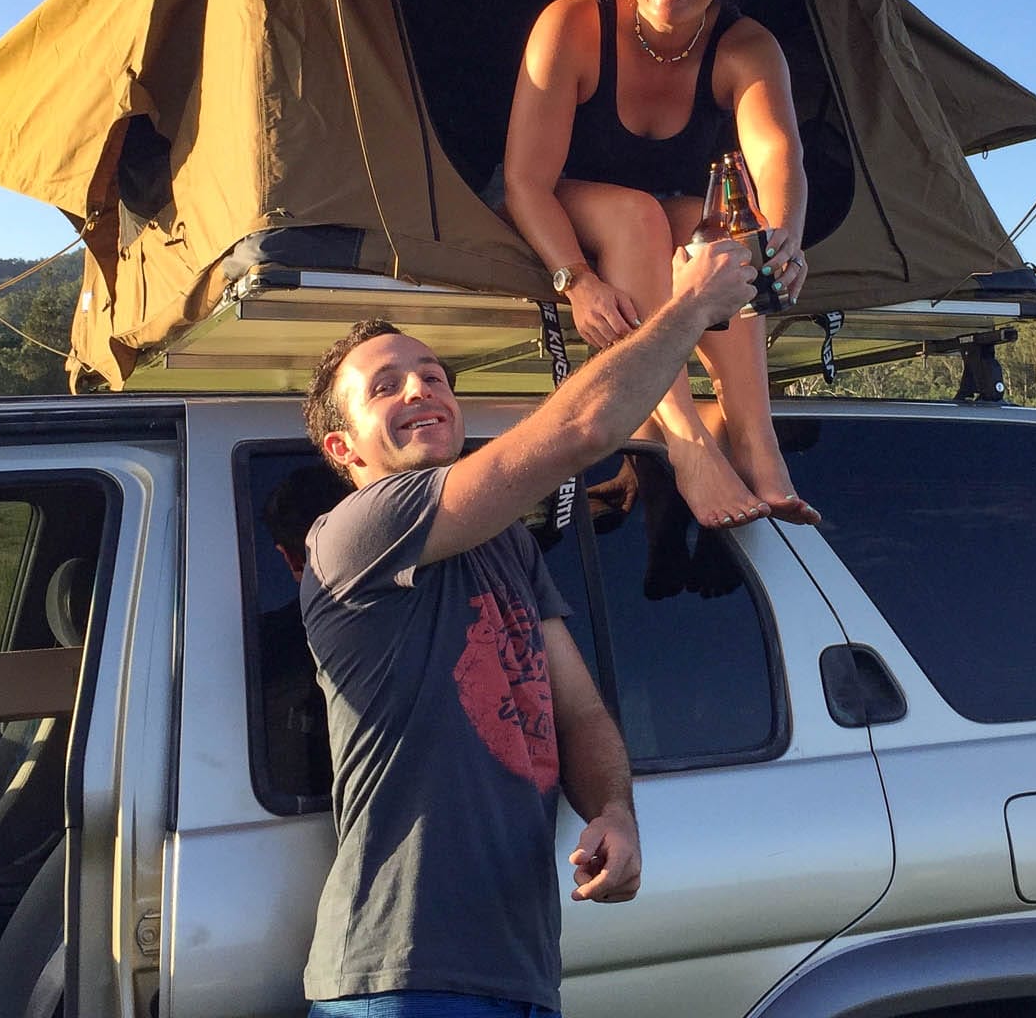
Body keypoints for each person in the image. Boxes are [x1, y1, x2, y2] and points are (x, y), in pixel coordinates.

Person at [297, 238, 757, 1018]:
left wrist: (613, 811)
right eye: (385, 386)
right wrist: (691, 306)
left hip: (522, 971)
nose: (421, 388)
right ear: (344, 448)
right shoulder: (356, 532)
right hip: (401, 978)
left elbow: (577, 711)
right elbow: (582, 430)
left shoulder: (505, 543)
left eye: (433, 376)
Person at [502, 0, 819, 530]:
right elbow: (524, 182)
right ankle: (684, 440)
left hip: (666, 209)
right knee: (637, 214)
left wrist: (783, 239)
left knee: (728, 237)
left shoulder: (744, 45)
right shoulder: (574, 24)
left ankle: (757, 441)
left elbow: (777, 156)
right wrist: (577, 282)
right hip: (557, 203)